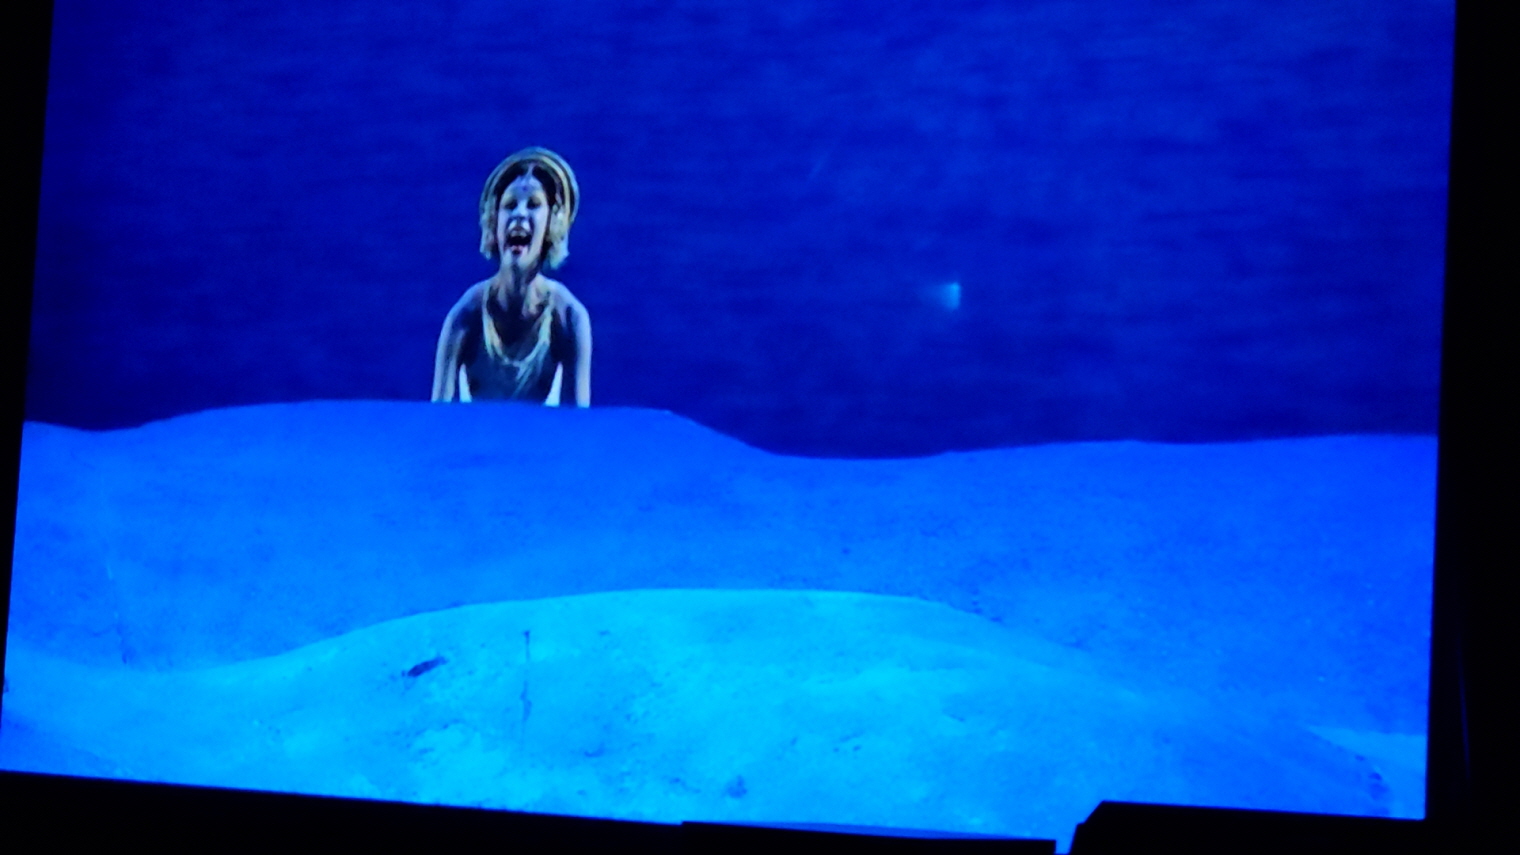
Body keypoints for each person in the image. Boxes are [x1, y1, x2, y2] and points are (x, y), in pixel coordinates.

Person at [432, 148, 592, 406]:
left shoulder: (569, 318)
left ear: (552, 223)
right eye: (510, 205)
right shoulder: (466, 316)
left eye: (533, 205)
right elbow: (438, 417)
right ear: (494, 221)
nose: (519, 214)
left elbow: (577, 423)